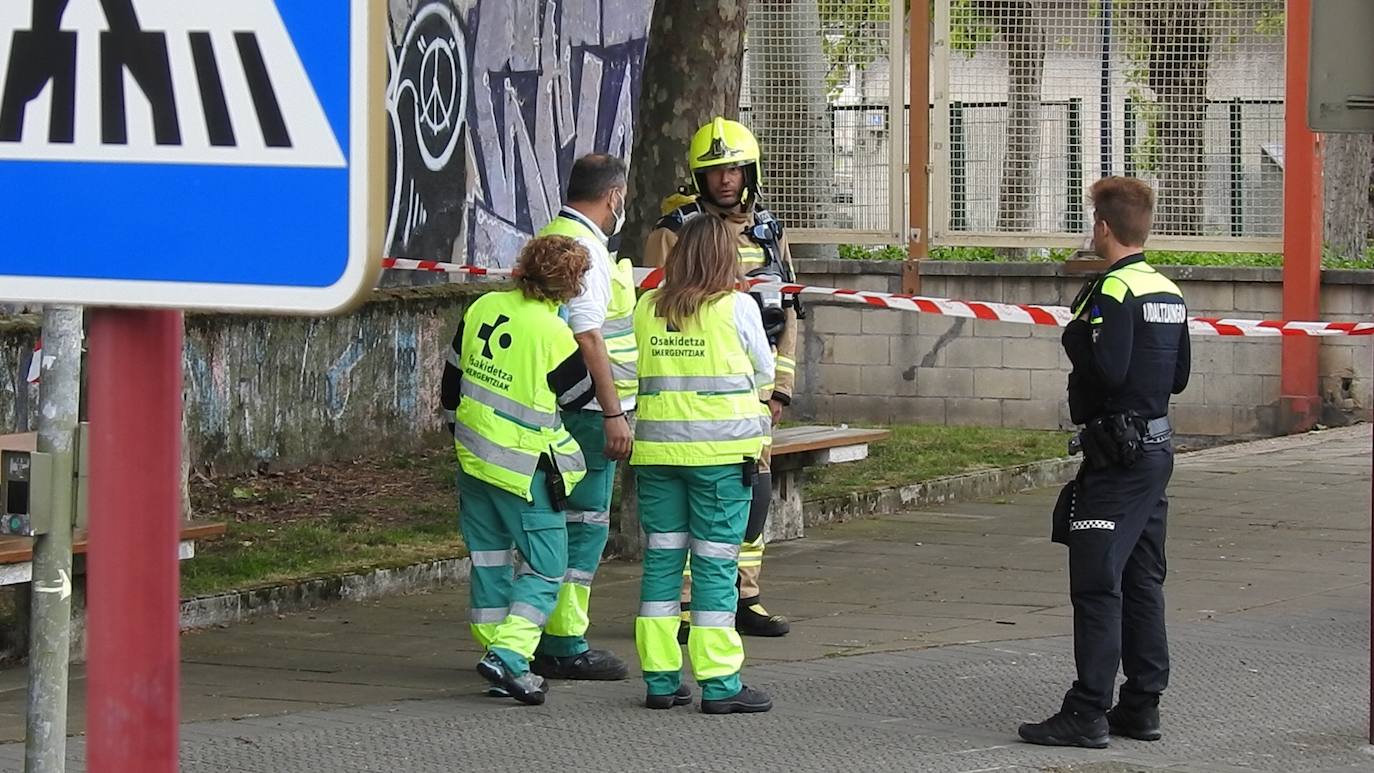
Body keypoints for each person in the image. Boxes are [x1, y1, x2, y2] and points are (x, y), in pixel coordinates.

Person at [1019, 177, 1191, 747]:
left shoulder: (1111, 292)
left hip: (1117, 456)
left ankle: (1088, 711)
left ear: (1104, 227)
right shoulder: (1167, 290)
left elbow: (1108, 370)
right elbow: (1180, 378)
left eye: (1091, 221)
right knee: (1142, 578)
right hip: (1156, 449)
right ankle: (1142, 705)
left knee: (1096, 583)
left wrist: (1077, 341)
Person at [643, 117, 798, 639]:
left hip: (755, 394)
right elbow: (654, 310)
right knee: (699, 503)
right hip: (696, 401)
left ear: (748, 171)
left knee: (752, 492)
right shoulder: (674, 232)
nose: (725, 179)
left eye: (733, 168)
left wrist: (781, 389)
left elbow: (789, 313)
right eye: (714, 171)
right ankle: (689, 605)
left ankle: (744, 596)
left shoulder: (770, 231)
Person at [438, 236, 596, 705]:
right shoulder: (553, 335)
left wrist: (462, 435)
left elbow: (452, 380)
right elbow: (579, 398)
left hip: (473, 460)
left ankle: (496, 655)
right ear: (568, 285)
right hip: (525, 470)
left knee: (489, 561)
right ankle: (509, 655)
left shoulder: (484, 306)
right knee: (547, 569)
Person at [632, 214, 775, 714]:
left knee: (661, 565)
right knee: (716, 567)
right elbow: (764, 369)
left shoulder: (647, 306)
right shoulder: (737, 306)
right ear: (724, 257)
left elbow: (632, 371)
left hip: (655, 457)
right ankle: (719, 685)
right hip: (719, 460)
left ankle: (660, 679)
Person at [527, 154, 637, 682]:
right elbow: (588, 335)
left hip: (549, 404)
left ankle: (530, 633)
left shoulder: (550, 235)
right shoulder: (588, 248)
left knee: (549, 521)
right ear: (614, 196)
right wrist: (613, 411)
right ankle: (564, 641)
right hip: (588, 412)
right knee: (585, 524)